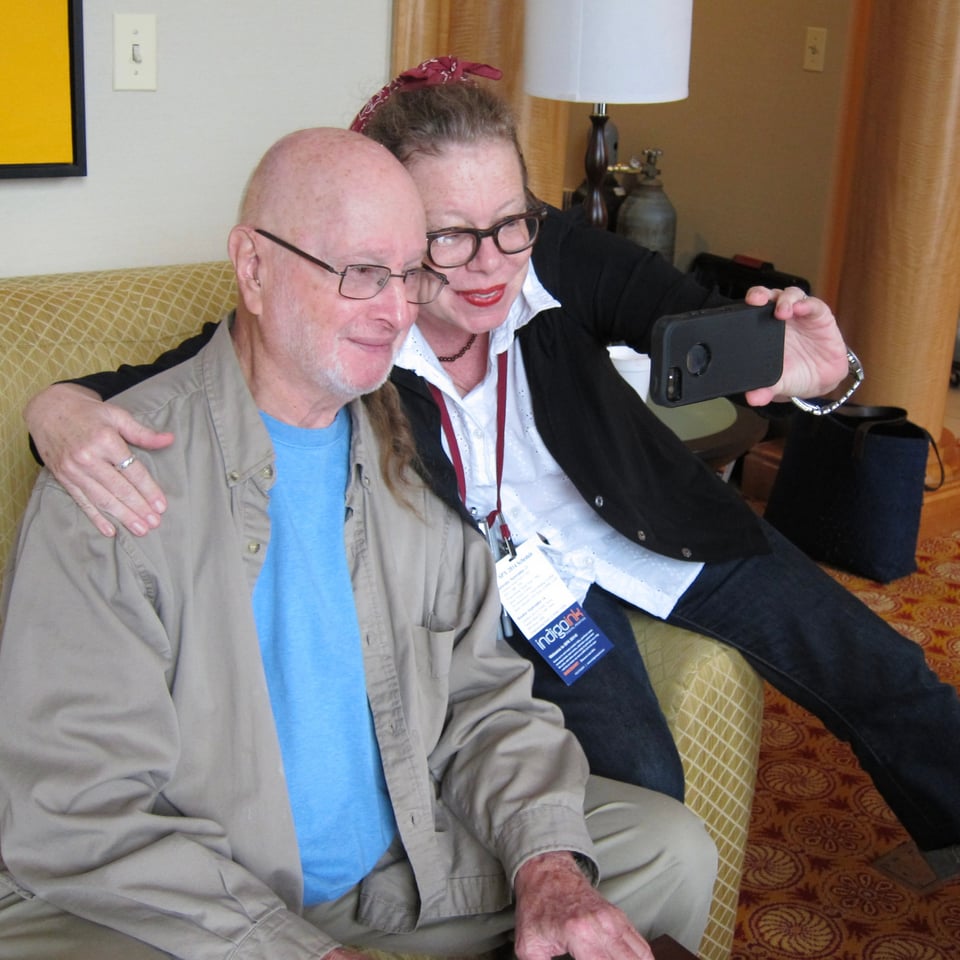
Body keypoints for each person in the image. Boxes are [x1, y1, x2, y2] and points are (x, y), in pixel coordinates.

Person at [23, 59, 960, 884]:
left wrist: (819, 375)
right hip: (512, 591)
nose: (490, 264)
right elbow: (187, 371)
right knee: (643, 779)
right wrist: (53, 409)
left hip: (644, 520)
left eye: (511, 224)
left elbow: (707, 329)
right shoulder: (357, 330)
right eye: (449, 235)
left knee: (881, 666)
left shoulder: (551, 260)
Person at [0, 127, 719, 960]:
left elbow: (480, 698)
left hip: (405, 868)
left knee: (668, 850)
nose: (395, 311)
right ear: (254, 268)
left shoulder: (410, 451)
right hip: (199, 906)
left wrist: (547, 868)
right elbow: (78, 806)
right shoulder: (113, 475)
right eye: (360, 273)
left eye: (410, 273)